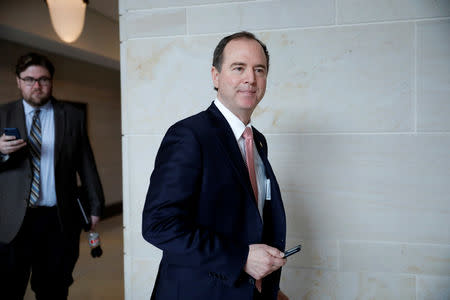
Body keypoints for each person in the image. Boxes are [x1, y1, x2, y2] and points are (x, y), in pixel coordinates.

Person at [142, 31, 289, 300]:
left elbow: (250, 219)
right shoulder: (189, 135)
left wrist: (268, 289)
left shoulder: (257, 142)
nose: (250, 78)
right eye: (238, 68)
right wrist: (241, 258)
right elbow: (158, 224)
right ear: (216, 76)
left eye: (260, 69)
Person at [0, 52, 105, 299]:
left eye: (43, 80)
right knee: (8, 289)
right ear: (18, 81)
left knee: (54, 290)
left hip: (57, 221)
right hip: (13, 222)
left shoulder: (72, 116)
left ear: (51, 81)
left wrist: (96, 205)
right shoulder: (2, 115)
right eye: (29, 79)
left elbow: (86, 164)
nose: (36, 86)